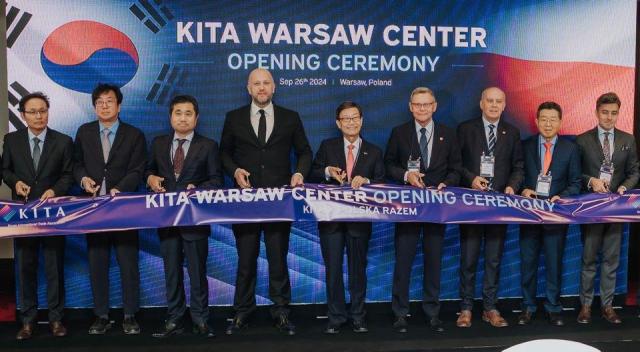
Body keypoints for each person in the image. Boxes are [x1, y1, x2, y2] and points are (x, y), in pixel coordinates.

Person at [220, 68, 312, 335]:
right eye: (256, 83)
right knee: (246, 259)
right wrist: (235, 170)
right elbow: (223, 152)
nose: (261, 88)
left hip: (278, 201)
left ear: (274, 87)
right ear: (248, 88)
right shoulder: (234, 118)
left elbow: (305, 151)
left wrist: (299, 173)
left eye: (266, 83)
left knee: (278, 259)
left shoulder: (290, 118)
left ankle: (281, 311)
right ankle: (242, 312)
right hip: (245, 201)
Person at [384, 87, 461, 333]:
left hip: (437, 208)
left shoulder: (448, 134)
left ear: (435, 106)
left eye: (426, 104)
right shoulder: (399, 133)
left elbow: (456, 168)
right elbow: (388, 165)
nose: (422, 108)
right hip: (407, 208)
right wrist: (407, 175)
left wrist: (446, 183)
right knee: (403, 261)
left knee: (434, 261)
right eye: (417, 104)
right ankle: (399, 313)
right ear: (410, 106)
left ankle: (432, 312)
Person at [73, 83, 146, 335]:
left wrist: (120, 188)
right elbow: (77, 164)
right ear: (94, 107)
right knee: (97, 263)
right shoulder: (84, 132)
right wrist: (83, 179)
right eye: (100, 102)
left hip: (124, 209)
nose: (104, 105)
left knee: (128, 263)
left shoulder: (134, 134)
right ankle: (101, 315)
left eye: (110, 101)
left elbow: (139, 169)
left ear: (119, 105)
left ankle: (129, 315)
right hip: (94, 212)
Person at [147, 95, 223, 338]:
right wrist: (150, 179)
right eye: (178, 112)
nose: (183, 117)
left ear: (196, 118)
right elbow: (148, 171)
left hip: (194, 221)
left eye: (188, 113)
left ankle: (200, 319)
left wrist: (198, 191)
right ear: (170, 117)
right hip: (167, 221)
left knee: (198, 273)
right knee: (171, 272)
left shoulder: (208, 145)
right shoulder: (158, 143)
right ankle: (174, 318)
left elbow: (216, 181)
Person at [3, 92, 73, 340]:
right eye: (32, 111)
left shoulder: (63, 141)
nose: (38, 115)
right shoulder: (11, 140)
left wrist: (56, 190)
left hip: (53, 215)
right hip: (23, 216)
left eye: (42, 110)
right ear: (23, 115)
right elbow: (6, 170)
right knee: (25, 267)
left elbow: (68, 174)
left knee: (54, 267)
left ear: (48, 112)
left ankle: (56, 320)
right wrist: (16, 182)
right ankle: (28, 321)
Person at [310, 101, 384, 334]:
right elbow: (312, 173)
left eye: (355, 118)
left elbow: (383, 182)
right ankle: (336, 317)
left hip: (359, 221)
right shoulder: (327, 146)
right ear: (338, 123)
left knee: (357, 270)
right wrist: (326, 171)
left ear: (361, 121)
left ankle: (358, 317)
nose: (351, 122)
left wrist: (368, 182)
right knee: (333, 270)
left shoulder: (374, 151)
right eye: (346, 119)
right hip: (331, 220)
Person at [456, 87, 523, 328]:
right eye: (490, 101)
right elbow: (455, 164)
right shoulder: (465, 129)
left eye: (499, 101)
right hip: (472, 205)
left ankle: (490, 308)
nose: (494, 105)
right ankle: (465, 308)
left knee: (493, 260)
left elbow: (518, 166)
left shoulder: (512, 133)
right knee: (469, 259)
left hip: (499, 206)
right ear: (481, 103)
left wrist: (512, 187)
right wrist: (471, 178)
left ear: (504, 105)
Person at [576, 92, 639, 324]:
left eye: (614, 113)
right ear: (596, 112)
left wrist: (624, 187)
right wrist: (590, 181)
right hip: (591, 210)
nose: (609, 117)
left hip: (616, 209)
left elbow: (635, 171)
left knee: (611, 260)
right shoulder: (582, 140)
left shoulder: (627, 139)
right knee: (589, 259)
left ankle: (608, 306)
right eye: (605, 112)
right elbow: (575, 174)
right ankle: (585, 306)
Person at [518, 101, 581, 326]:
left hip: (556, 215)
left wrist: (562, 196)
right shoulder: (524, 146)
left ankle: (553, 307)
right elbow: (517, 174)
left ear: (560, 122)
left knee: (554, 263)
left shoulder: (570, 148)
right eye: (543, 119)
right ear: (536, 121)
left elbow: (575, 182)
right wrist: (522, 189)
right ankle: (527, 307)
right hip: (529, 214)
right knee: (528, 263)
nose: (547, 123)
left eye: (552, 119)